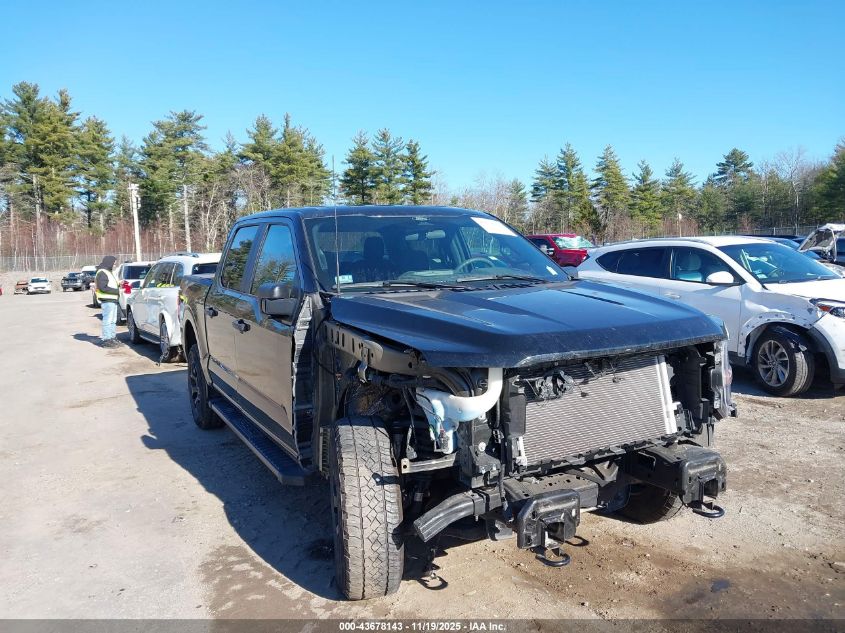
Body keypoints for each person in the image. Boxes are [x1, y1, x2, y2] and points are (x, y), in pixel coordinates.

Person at [95, 255, 120, 347]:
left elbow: (112, 284)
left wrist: (120, 285)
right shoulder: (102, 272)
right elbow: (103, 287)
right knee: (108, 320)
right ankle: (106, 339)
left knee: (113, 320)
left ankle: (112, 337)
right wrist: (117, 291)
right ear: (109, 262)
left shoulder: (108, 272)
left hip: (113, 299)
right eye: (114, 263)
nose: (114, 265)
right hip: (107, 300)